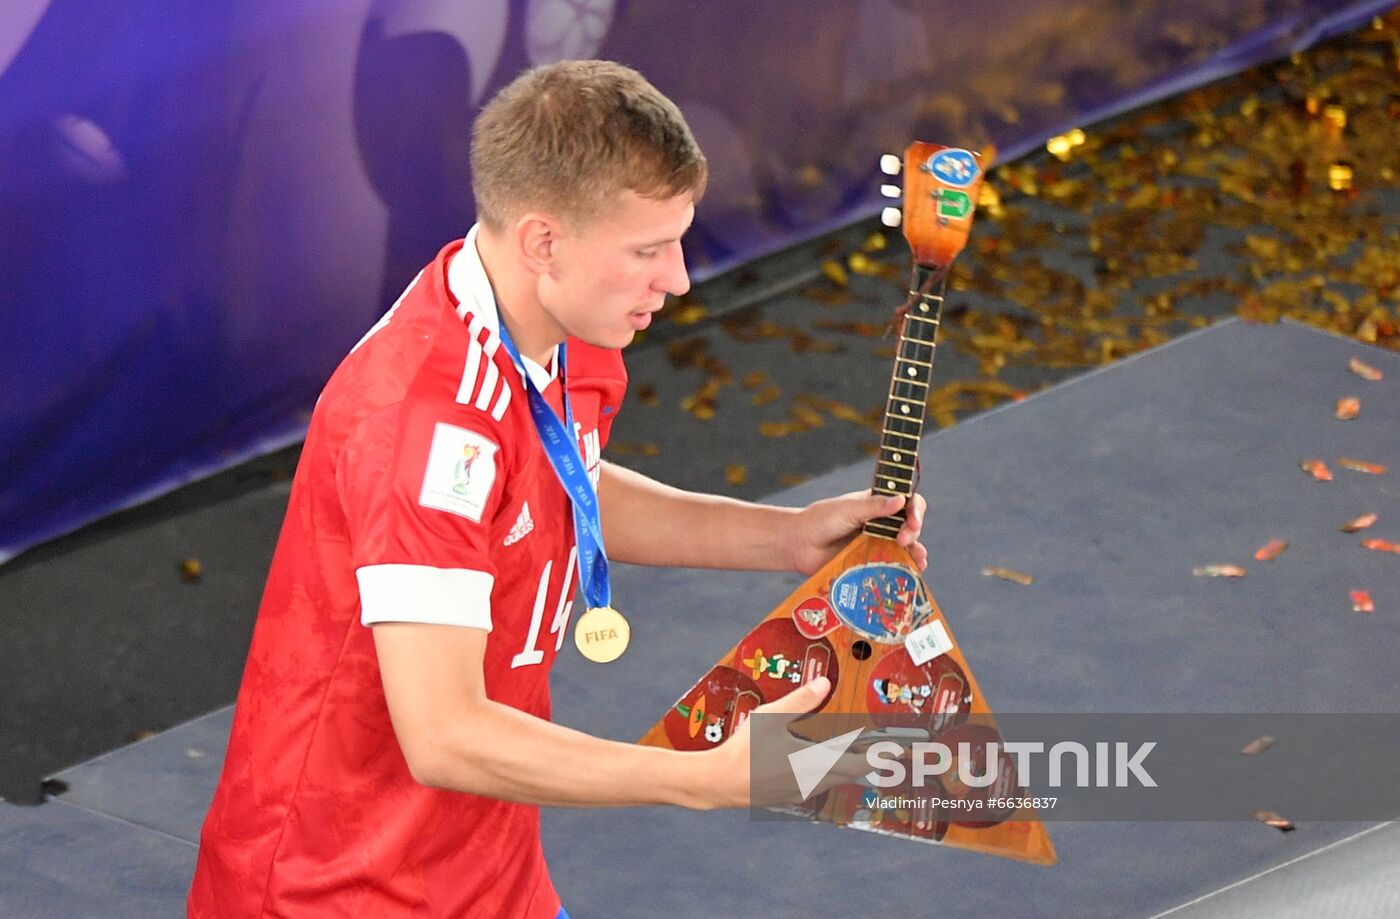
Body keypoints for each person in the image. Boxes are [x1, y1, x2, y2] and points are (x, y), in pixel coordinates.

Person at [188, 59, 927, 918]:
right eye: (649, 250)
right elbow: (445, 735)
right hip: (337, 892)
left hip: (488, 870)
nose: (680, 278)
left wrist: (785, 538)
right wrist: (699, 781)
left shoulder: (563, 325)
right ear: (544, 239)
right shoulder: (423, 423)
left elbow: (554, 484)